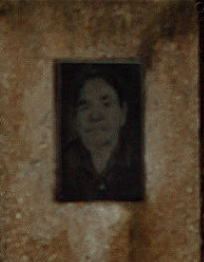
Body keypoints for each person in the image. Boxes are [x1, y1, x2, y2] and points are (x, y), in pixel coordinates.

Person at [56, 69, 144, 202]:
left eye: (106, 104)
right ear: (75, 118)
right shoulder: (59, 164)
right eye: (85, 107)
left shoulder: (141, 162)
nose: (95, 116)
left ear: (123, 113)